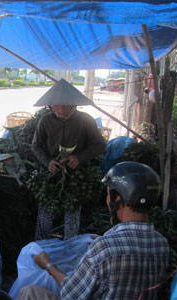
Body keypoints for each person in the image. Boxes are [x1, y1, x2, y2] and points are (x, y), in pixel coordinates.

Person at [19, 161, 169, 300]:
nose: (107, 199)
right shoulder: (162, 244)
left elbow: (71, 292)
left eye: (109, 193)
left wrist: (48, 265)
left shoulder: (105, 248)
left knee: (29, 292)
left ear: (117, 199)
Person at [31, 79, 106, 240]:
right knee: (45, 214)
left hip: (75, 176)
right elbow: (35, 146)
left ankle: (70, 247)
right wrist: (48, 161)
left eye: (63, 104)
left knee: (72, 216)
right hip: (51, 174)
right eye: (55, 105)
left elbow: (100, 145)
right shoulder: (45, 121)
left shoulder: (85, 120)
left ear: (73, 104)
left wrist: (80, 157)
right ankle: (40, 247)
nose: (58, 108)